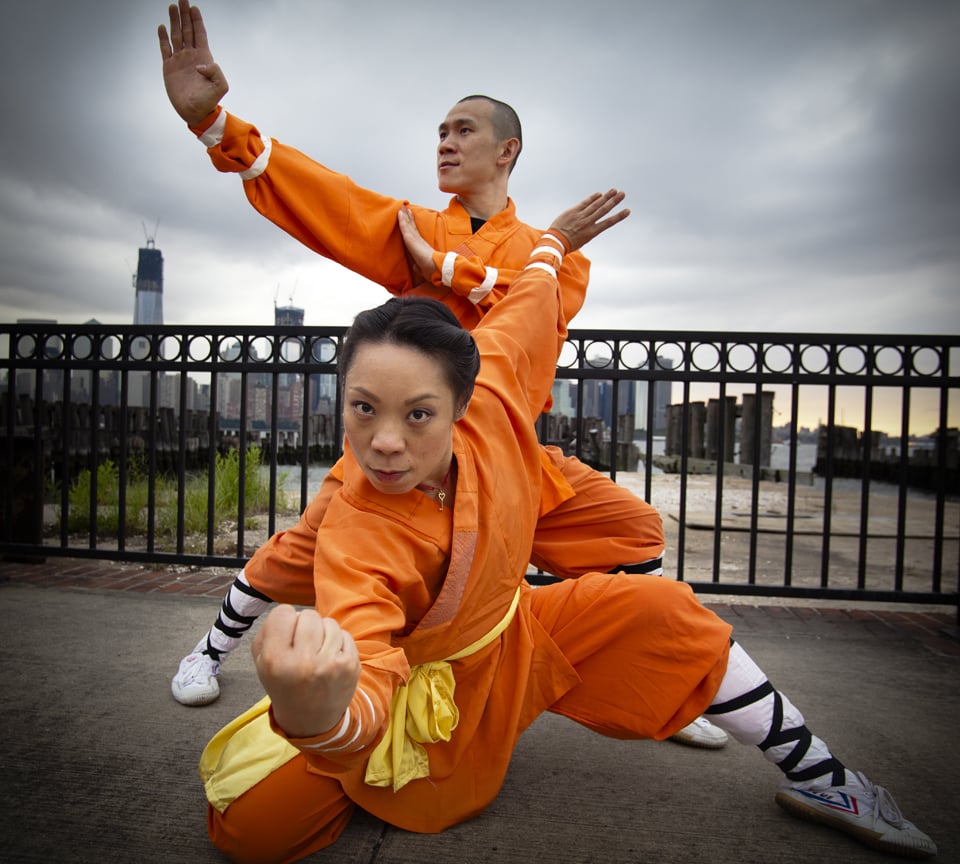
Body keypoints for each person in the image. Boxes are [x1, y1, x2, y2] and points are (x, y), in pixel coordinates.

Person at [197, 193, 936, 862]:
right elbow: (369, 667)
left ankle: (825, 780)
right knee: (252, 829)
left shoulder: (494, 387)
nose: (385, 441)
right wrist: (321, 714)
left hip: (521, 635)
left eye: (416, 414)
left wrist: (552, 240)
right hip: (434, 689)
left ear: (461, 404)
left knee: (666, 609)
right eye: (363, 408)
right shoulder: (357, 527)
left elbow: (533, 294)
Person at [158, 0, 726, 749]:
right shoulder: (417, 229)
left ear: (508, 151)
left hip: (506, 453)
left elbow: (536, 306)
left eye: (463, 131)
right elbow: (329, 203)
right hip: (415, 447)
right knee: (294, 553)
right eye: (439, 133)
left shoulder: (561, 250)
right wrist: (216, 126)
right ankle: (210, 650)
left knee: (632, 528)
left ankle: (663, 684)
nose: (445, 144)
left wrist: (446, 271)